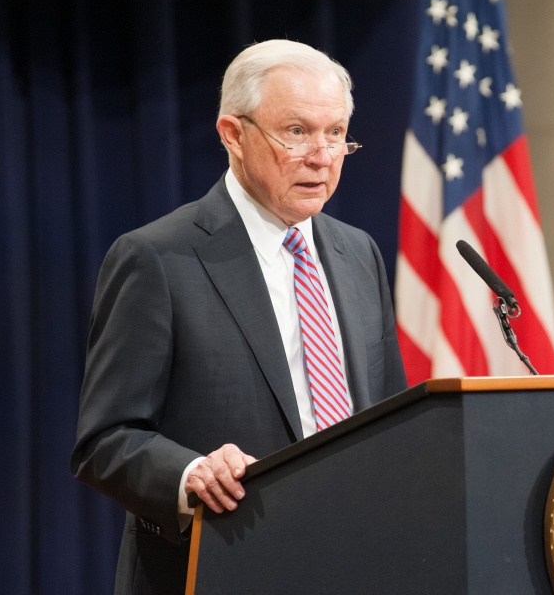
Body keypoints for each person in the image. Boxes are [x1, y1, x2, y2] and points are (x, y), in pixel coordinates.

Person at [71, 40, 407, 595]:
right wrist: (190, 474)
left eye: (336, 133)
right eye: (297, 131)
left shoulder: (358, 253)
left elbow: (391, 418)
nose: (322, 155)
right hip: (218, 567)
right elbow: (105, 440)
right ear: (232, 134)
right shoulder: (158, 257)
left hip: (353, 564)